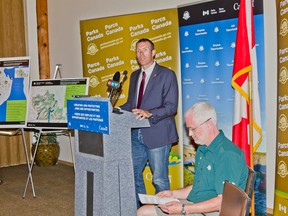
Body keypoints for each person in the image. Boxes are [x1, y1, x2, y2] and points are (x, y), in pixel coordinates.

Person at [137, 102, 248, 216]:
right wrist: (172, 194)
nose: (189, 134)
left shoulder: (227, 154)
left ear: (209, 124)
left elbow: (223, 202)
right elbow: (197, 188)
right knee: (143, 212)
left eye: (193, 129)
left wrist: (183, 209)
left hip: (215, 211)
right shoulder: (202, 149)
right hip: (197, 205)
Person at [120, 38, 179, 208]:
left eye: (145, 50)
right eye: (138, 51)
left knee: (159, 178)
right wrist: (112, 109)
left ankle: (164, 211)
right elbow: (131, 105)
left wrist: (149, 113)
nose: (141, 54)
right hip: (136, 133)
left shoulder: (167, 74)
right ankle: (141, 210)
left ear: (153, 52)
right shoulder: (134, 75)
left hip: (157, 134)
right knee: (133, 173)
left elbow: (171, 107)